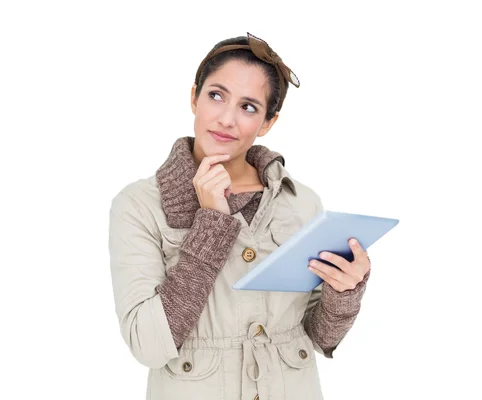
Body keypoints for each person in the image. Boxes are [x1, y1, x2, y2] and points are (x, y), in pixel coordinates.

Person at [108, 32, 372, 400]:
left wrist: (345, 291)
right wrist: (211, 225)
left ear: (267, 122)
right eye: (216, 95)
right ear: (194, 98)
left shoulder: (302, 203)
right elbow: (148, 345)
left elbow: (318, 336)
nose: (227, 119)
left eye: (248, 107)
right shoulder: (138, 205)